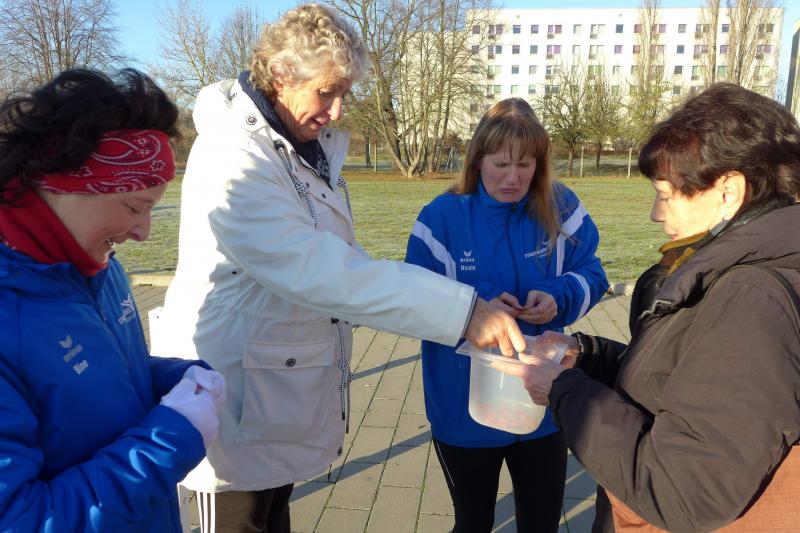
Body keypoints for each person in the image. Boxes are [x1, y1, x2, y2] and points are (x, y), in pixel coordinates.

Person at [147, 4, 525, 532]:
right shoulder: (237, 157)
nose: (337, 110)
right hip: (231, 399)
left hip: (271, 395)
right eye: (326, 92)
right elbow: (323, 271)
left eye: (344, 93)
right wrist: (463, 312)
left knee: (272, 515)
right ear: (280, 74)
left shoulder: (297, 148)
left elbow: (339, 262)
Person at [499, 83, 800, 532]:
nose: (656, 214)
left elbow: (684, 489)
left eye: (666, 194)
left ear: (728, 192)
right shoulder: (752, 272)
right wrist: (587, 356)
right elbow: (686, 381)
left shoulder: (751, 298)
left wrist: (563, 390)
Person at [0, 69, 224, 532]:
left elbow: (80, 377)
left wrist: (168, 379)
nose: (143, 233)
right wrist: (170, 437)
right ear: (64, 185)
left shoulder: (95, 267)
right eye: (134, 207)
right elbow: (21, 519)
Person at [403, 97, 609, 532]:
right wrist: (474, 307)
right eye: (500, 164)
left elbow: (593, 273)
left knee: (541, 521)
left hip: (542, 402)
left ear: (540, 164)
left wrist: (558, 297)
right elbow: (414, 298)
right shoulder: (441, 217)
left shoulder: (562, 207)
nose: (513, 178)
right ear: (478, 160)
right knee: (473, 521)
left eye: (525, 165)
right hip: (463, 407)